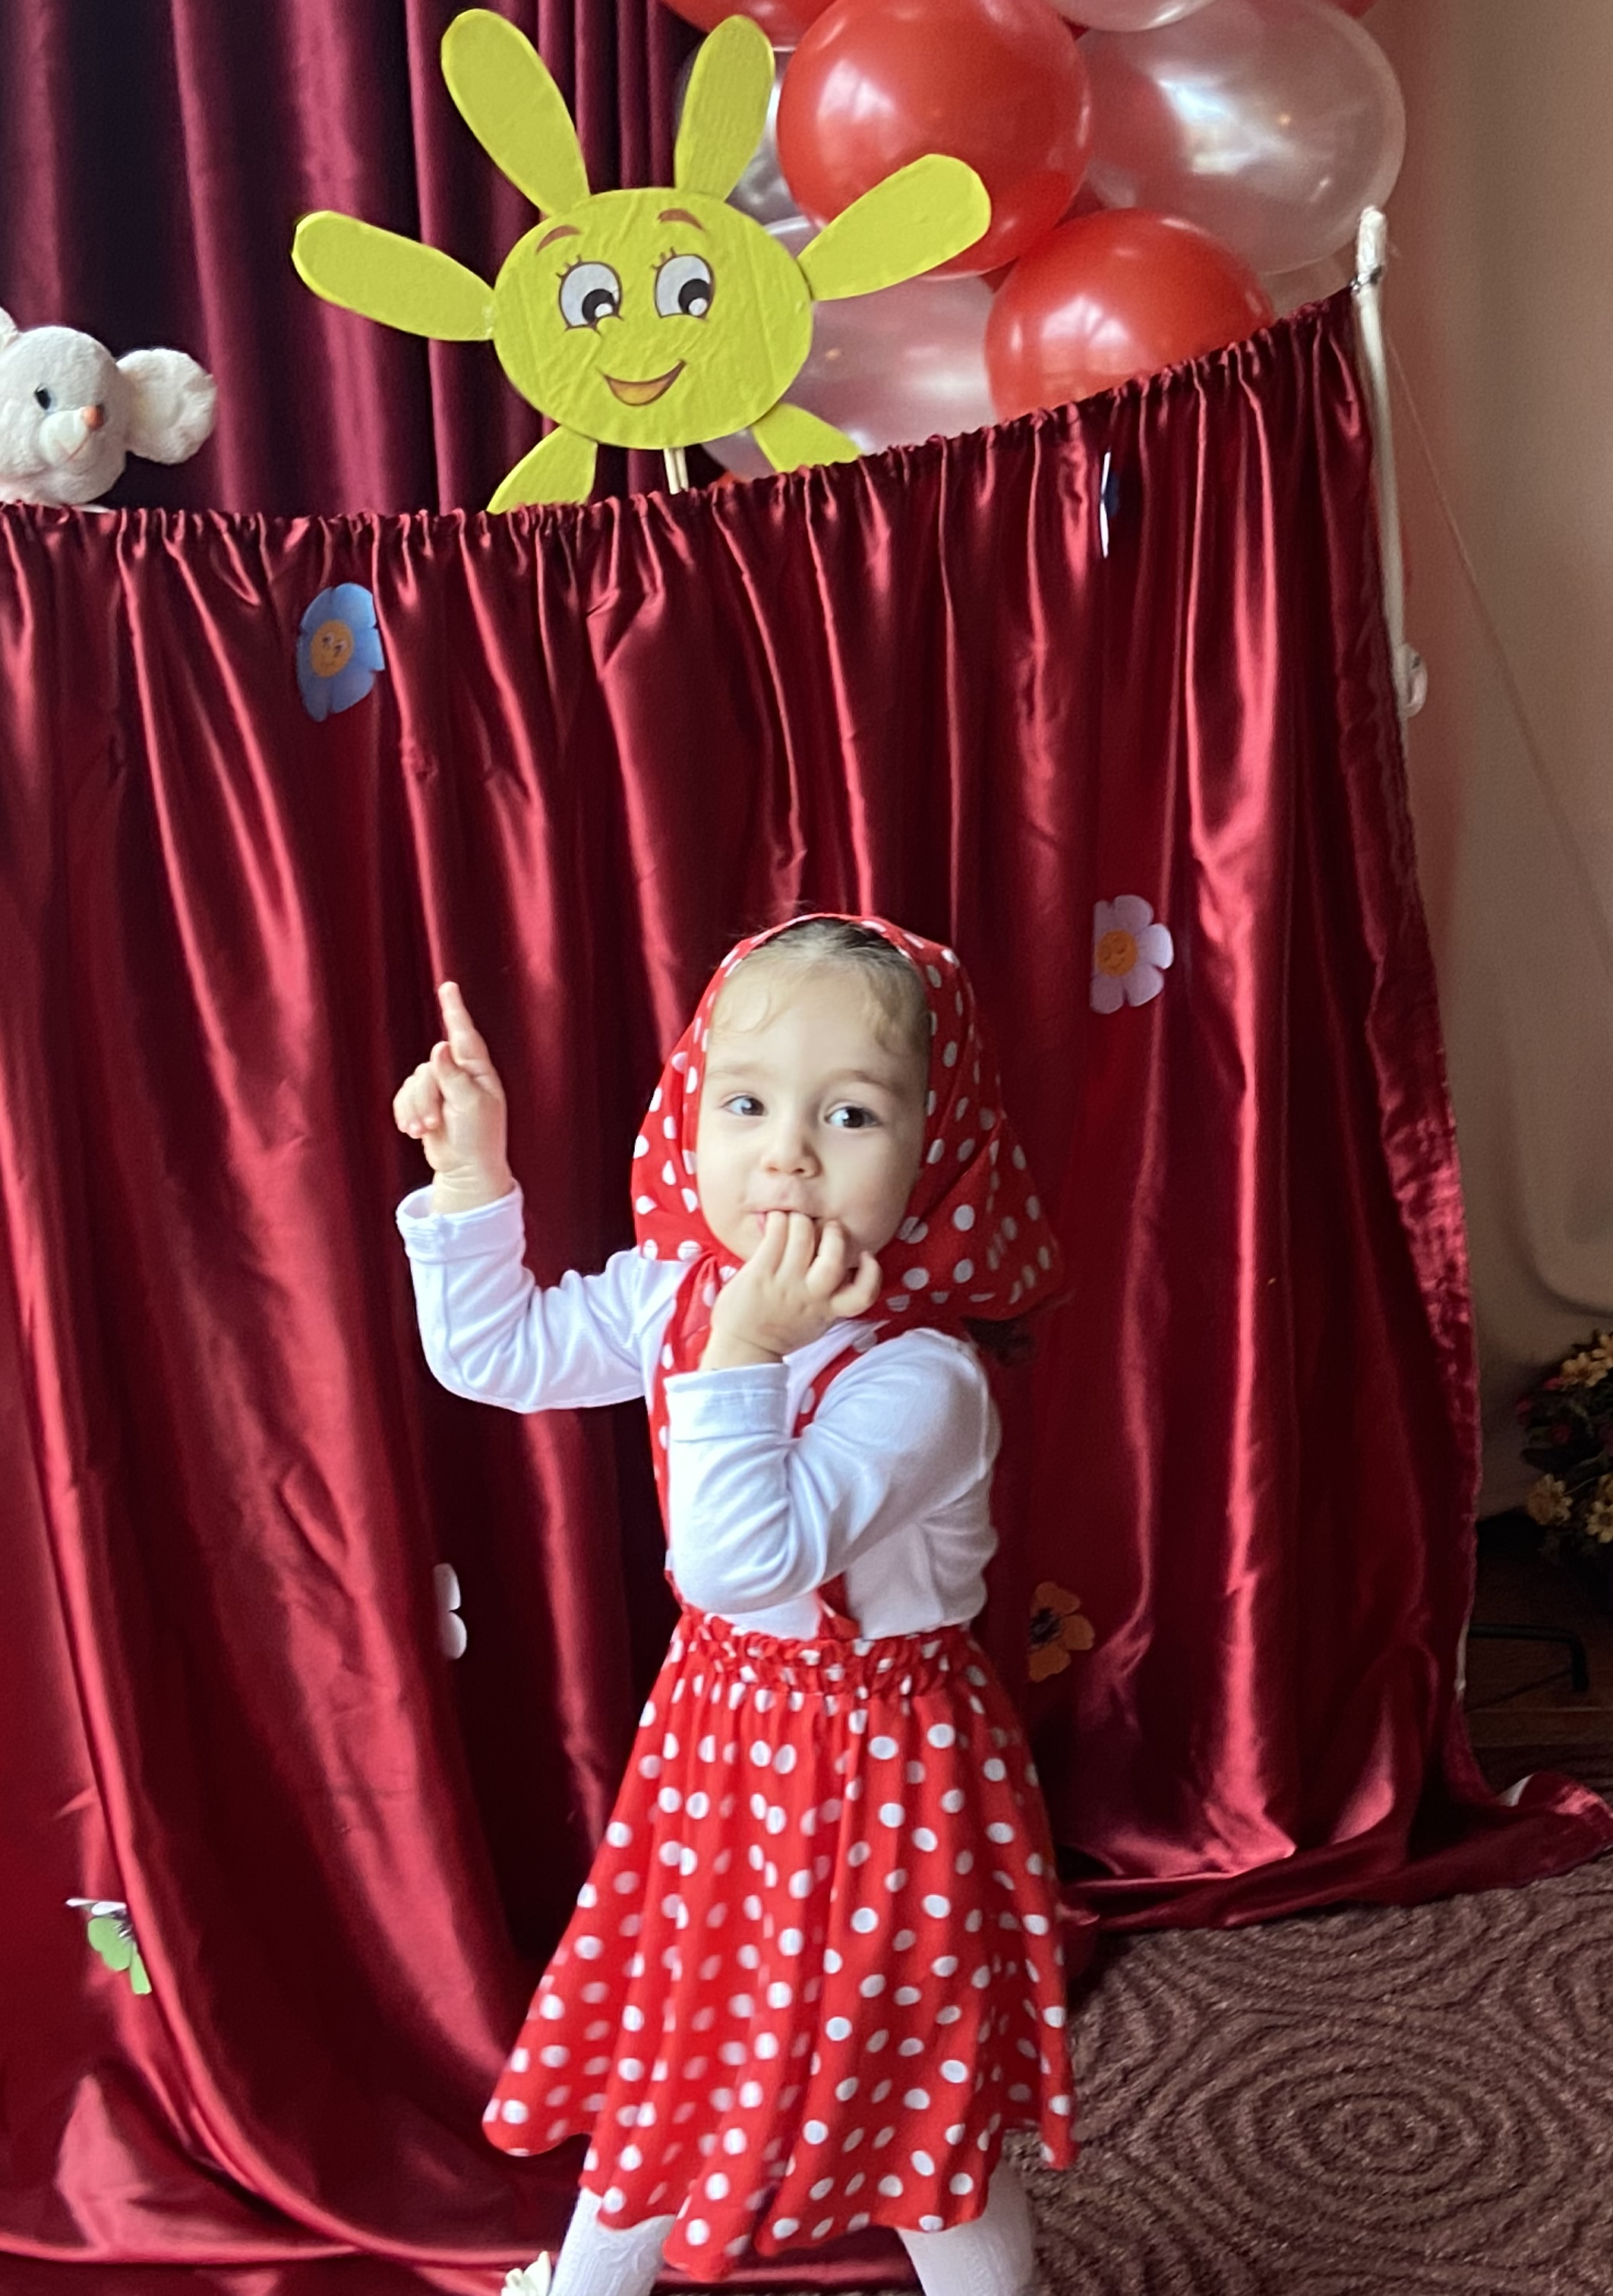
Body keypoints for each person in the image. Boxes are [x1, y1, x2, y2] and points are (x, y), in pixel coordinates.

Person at [391, 915, 1077, 2296]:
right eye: (748, 1102)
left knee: (921, 2101)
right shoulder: (681, 1295)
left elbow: (736, 1560)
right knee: (672, 2044)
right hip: (721, 1748)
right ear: (689, 1116)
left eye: (853, 1114)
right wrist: (473, 1177)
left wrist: (746, 1348)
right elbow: (497, 1357)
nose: (790, 1154)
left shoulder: (923, 1382)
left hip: (890, 1773)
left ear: (938, 1149)